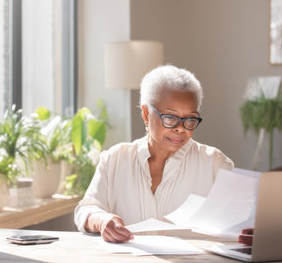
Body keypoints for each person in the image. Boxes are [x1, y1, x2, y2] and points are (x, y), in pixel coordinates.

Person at [74, 65, 234, 242]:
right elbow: (86, 209)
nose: (180, 128)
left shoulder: (215, 165)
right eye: (170, 118)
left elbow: (236, 228)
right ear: (145, 113)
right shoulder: (115, 159)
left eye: (190, 119)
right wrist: (102, 221)